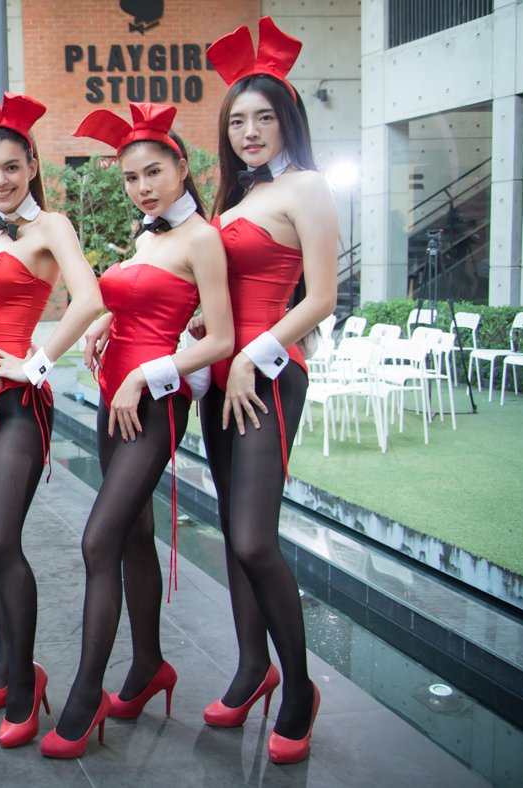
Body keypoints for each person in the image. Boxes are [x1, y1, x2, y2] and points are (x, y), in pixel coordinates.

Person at [39, 102, 233, 759]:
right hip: (113, 396)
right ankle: (148, 664)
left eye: (153, 172)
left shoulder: (201, 238)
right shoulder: (148, 235)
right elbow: (138, 298)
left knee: (99, 539)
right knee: (130, 537)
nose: (142, 187)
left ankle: (85, 695)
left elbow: (220, 338)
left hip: (152, 404)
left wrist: (145, 374)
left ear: (181, 168)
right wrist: (105, 322)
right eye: (130, 177)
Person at [0, 85, 103, 748]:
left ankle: (27, 681)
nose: (0, 180)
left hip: (16, 404)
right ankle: (8, 665)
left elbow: (88, 299)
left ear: (33, 165)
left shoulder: (52, 226)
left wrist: (38, 363)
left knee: (0, 538)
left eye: (12, 167)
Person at [197, 18, 337, 764]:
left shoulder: (306, 187)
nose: (249, 133)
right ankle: (253, 669)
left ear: (289, 121)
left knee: (255, 538)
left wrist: (256, 351)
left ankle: (300, 690)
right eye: (236, 121)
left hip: (270, 377)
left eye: (263, 118)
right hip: (221, 380)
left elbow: (323, 299)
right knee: (233, 534)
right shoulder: (233, 200)